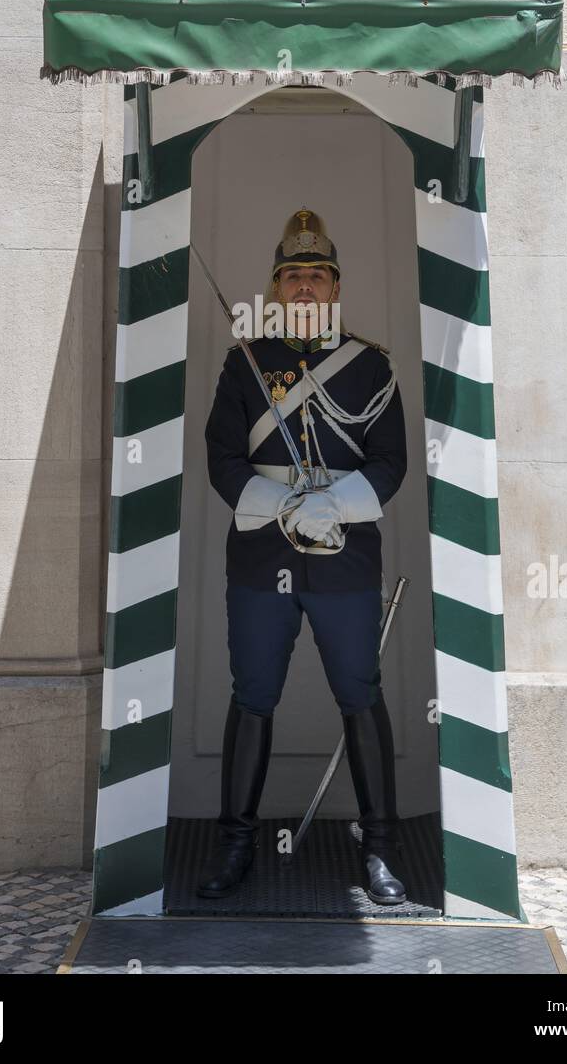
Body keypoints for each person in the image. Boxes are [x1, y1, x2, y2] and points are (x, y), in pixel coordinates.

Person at [197, 208, 409, 904]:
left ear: (336, 287)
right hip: (264, 556)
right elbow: (223, 458)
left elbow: (390, 462)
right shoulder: (246, 363)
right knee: (253, 697)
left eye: (318, 274)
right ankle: (235, 848)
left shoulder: (369, 366)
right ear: (276, 288)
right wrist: (277, 501)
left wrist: (335, 505)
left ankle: (380, 850)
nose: (306, 286)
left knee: (360, 695)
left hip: (344, 558)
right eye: (293, 276)